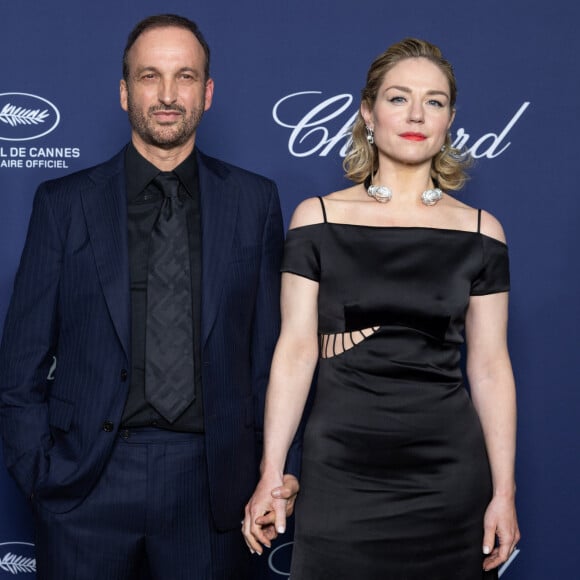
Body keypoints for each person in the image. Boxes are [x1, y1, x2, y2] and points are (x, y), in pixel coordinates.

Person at [0, 13, 298, 580]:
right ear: (123, 91)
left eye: (184, 77)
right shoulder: (63, 204)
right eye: (148, 77)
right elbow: (20, 362)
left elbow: (272, 356)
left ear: (207, 93)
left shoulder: (255, 202)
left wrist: (278, 468)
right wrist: (41, 475)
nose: (167, 95)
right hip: (86, 483)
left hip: (212, 487)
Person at [243, 38, 520, 579]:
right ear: (368, 112)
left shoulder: (482, 232)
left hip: (447, 473)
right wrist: (271, 471)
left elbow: (490, 367)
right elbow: (297, 350)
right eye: (399, 98)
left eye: (434, 101)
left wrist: (504, 491)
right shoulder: (316, 219)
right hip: (341, 469)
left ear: (450, 119)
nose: (417, 114)